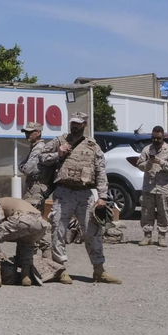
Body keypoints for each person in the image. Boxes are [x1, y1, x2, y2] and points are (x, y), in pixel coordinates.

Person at [40, 112, 122, 284]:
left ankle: (99, 270)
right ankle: (60, 269)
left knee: (93, 233)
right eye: (73, 123)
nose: (75, 126)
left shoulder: (93, 146)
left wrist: (102, 197)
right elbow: (40, 157)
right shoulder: (59, 141)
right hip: (64, 193)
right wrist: (58, 154)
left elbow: (100, 171)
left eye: (78, 123)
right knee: (58, 231)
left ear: (85, 124)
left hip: (85, 194)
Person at [136, 125, 168, 248]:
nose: (156, 140)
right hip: (149, 187)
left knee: (163, 212)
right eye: (154, 138)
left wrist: (161, 162)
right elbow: (139, 165)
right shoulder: (147, 150)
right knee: (146, 212)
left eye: (158, 138)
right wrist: (149, 163)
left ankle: (162, 236)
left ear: (163, 137)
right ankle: (147, 236)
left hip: (164, 187)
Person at [17, 122, 52, 213]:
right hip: (32, 187)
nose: (27, 135)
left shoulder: (38, 148)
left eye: (30, 132)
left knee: (30, 215)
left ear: (38, 133)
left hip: (36, 188)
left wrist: (21, 167)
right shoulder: (34, 147)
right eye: (26, 132)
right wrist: (22, 166)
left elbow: (28, 169)